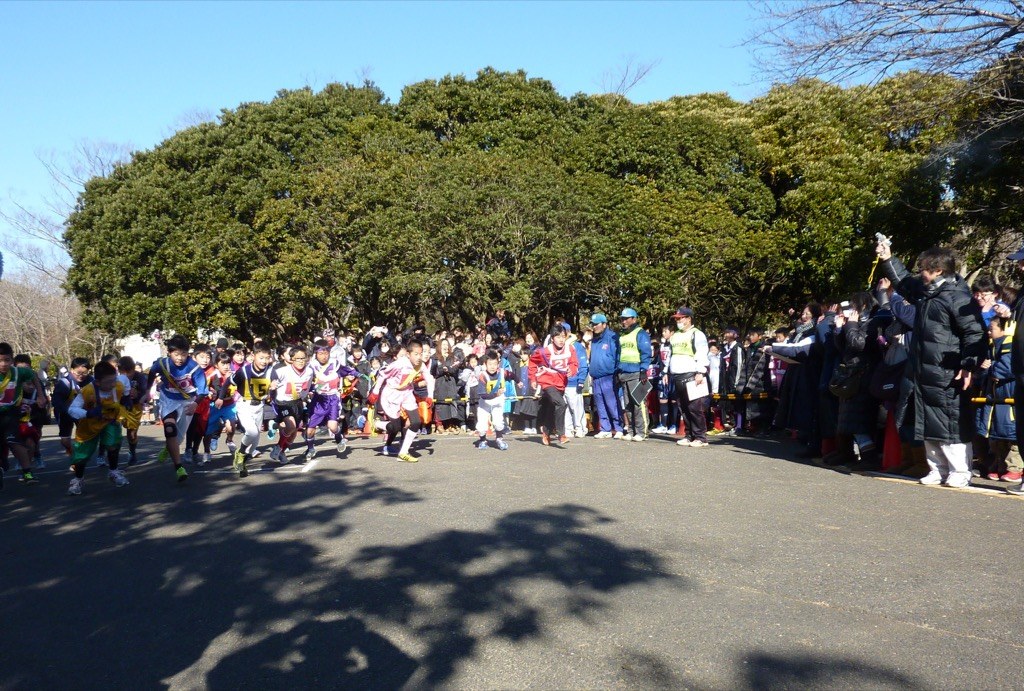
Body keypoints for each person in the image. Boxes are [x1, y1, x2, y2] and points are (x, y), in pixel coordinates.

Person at [877, 240, 986, 487]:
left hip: (947, 370)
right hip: (921, 369)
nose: (921, 273)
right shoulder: (927, 292)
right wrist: (888, 259)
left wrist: (969, 364)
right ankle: (937, 469)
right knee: (927, 420)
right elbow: (904, 282)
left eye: (924, 268)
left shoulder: (957, 297)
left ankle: (960, 471)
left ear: (938, 270)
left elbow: (975, 333)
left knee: (951, 419)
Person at [148, 335, 208, 483]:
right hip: (168, 400)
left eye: (183, 354)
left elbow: (202, 391)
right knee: (169, 429)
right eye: (176, 354)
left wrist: (195, 404)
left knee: (178, 438)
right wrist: (146, 390)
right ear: (169, 352)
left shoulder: (194, 368)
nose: (180, 358)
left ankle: (168, 448)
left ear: (188, 353)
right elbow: (151, 373)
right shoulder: (162, 364)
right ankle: (179, 467)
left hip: (187, 402)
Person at [65, 360, 129, 495]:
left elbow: (126, 391)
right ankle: (78, 479)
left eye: (114, 380)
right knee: (81, 456)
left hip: (109, 421)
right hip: (89, 425)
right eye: (109, 382)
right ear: (98, 382)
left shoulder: (118, 385)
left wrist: (127, 400)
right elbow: (72, 410)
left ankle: (113, 471)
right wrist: (87, 413)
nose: (113, 384)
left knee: (113, 444)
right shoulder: (87, 391)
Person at [368, 338, 435, 462]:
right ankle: (377, 424)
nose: (419, 357)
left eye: (421, 354)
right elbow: (382, 375)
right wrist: (375, 392)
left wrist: (430, 396)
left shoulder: (421, 365)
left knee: (415, 422)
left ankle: (403, 453)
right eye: (416, 354)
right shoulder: (400, 364)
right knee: (396, 427)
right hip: (391, 395)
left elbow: (429, 379)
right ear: (408, 354)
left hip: (407, 394)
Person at [976, 316, 1021, 481]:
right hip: (995, 397)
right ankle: (1000, 465)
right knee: (997, 436)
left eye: (992, 329)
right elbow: (985, 370)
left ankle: (1015, 468)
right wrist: (985, 370)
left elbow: (1007, 366)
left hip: (1008, 396)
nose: (988, 332)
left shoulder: (1009, 343)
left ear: (1004, 329)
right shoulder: (992, 346)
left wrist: (991, 369)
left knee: (1013, 436)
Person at [0, 342, 49, 487]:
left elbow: (34, 375)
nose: (3, 364)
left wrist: (41, 396)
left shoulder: (17, 372)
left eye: (7, 360)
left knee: (15, 443)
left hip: (11, 414)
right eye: (0, 360)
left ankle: (27, 472)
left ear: (12, 360)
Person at [667, 308, 711, 448]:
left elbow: (702, 353)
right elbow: (670, 355)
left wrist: (701, 372)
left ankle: (700, 437)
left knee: (695, 408)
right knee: (683, 407)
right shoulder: (675, 336)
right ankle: (689, 435)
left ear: (688, 318)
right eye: (676, 318)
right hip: (677, 376)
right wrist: (666, 373)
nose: (678, 321)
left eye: (680, 318)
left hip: (692, 375)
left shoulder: (697, 334)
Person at [528, 325, 579, 446]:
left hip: (561, 382)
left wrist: (572, 370)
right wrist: (533, 378)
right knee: (561, 403)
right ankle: (561, 434)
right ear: (552, 339)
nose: (561, 339)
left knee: (552, 408)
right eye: (558, 337)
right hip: (547, 381)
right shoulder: (544, 351)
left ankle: (546, 431)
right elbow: (532, 362)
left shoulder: (570, 349)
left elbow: (574, 363)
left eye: (563, 336)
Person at [231, 343, 275, 477]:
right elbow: (229, 381)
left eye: (267, 358)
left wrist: (274, 384)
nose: (264, 361)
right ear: (253, 356)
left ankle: (242, 462)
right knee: (252, 432)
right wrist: (220, 398)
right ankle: (240, 452)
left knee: (254, 443)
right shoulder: (244, 371)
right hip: (244, 405)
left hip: (259, 406)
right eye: (261, 358)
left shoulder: (270, 370)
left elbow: (275, 379)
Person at [616, 308, 653, 441]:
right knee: (627, 405)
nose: (623, 321)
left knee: (639, 403)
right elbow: (620, 355)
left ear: (634, 319)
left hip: (637, 373)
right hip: (624, 373)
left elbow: (646, 352)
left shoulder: (640, 333)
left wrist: (643, 370)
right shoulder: (622, 335)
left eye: (626, 318)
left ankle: (642, 432)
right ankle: (631, 431)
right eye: (622, 319)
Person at [52, 358, 92, 457]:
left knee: (83, 437)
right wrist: (68, 409)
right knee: (65, 440)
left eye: (85, 373)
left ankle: (78, 458)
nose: (81, 376)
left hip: (82, 412)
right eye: (78, 373)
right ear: (72, 370)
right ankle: (69, 448)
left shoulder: (91, 381)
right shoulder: (64, 383)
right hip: (65, 413)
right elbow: (56, 402)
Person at [474, 350, 510, 450]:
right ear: (485, 364)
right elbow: (482, 394)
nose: (492, 367)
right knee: (481, 425)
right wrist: (495, 394)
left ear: (498, 364)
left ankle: (499, 439)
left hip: (497, 402)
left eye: (495, 364)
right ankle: (482, 440)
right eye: (490, 364)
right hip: (484, 402)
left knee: (498, 422)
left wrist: (518, 381)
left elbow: (511, 375)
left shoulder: (502, 372)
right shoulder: (482, 376)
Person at [117, 356, 148, 466]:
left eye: (128, 372)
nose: (126, 375)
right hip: (119, 406)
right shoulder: (116, 378)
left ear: (133, 369)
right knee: (115, 429)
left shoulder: (140, 377)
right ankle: (109, 454)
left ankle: (132, 451)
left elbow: (146, 393)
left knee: (132, 433)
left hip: (134, 407)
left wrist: (139, 395)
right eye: (122, 372)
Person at [564, 326, 590, 438]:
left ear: (568, 332)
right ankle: (568, 429)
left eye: (563, 332)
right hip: (561, 383)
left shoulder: (577, 346)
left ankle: (580, 428)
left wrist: (580, 381)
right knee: (565, 409)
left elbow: (583, 364)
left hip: (574, 382)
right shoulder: (557, 347)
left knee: (576, 408)